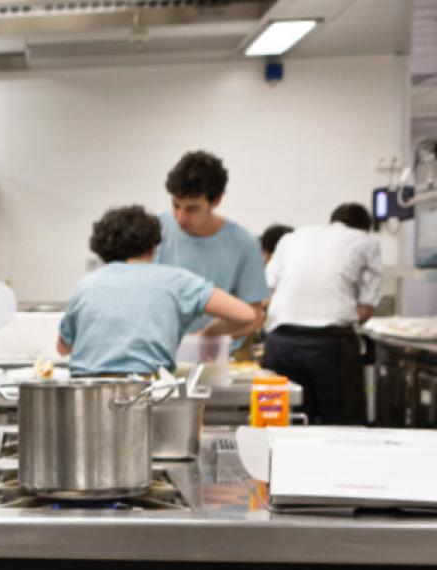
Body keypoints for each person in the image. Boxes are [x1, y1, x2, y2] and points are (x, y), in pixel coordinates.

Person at [57, 206, 259, 375]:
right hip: (149, 394)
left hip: (86, 395)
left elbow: (63, 347)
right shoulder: (178, 280)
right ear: (154, 245)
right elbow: (247, 315)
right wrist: (208, 334)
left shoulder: (86, 284)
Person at [260, 203, 383, 424]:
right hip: (330, 346)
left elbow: (268, 290)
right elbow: (366, 307)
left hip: (280, 344)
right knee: (341, 429)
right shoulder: (366, 242)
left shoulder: (293, 238)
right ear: (365, 228)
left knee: (281, 423)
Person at [155, 151, 270, 310]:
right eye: (176, 205)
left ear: (216, 200)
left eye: (192, 209)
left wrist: (207, 334)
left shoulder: (245, 245)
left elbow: (253, 312)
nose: (180, 217)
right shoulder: (154, 230)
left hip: (213, 335)